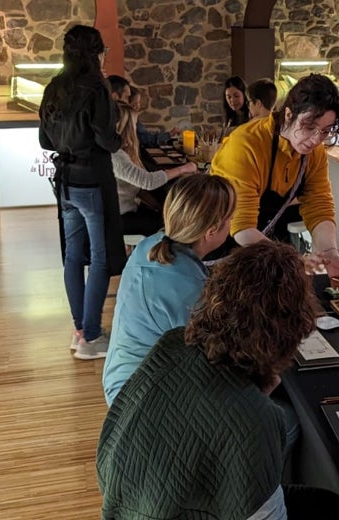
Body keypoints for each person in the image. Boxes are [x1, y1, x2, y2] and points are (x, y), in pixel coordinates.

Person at [98, 241, 339, 520]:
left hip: (123, 506)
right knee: (335, 508)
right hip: (184, 508)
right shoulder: (258, 419)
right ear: (289, 331)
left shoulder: (172, 345)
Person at [101, 174, 234, 405]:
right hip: (141, 399)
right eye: (231, 218)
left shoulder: (151, 245)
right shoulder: (191, 292)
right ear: (212, 231)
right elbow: (215, 360)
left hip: (121, 376)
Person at [211, 74, 339, 280]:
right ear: (288, 114)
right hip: (219, 244)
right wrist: (294, 260)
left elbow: (319, 205)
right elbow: (242, 227)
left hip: (261, 247)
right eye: (309, 127)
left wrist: (330, 254)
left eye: (324, 131)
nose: (316, 139)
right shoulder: (245, 145)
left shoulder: (314, 152)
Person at [38, 25, 122, 360]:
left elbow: (45, 141)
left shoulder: (54, 87)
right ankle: (91, 335)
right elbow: (105, 139)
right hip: (93, 179)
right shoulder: (97, 88)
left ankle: (79, 330)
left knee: (73, 255)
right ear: (96, 52)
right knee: (99, 258)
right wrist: (119, 140)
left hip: (65, 182)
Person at [112, 101, 197, 237]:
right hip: (119, 217)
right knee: (170, 226)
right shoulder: (116, 156)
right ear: (127, 128)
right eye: (134, 125)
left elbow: (138, 188)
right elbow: (148, 182)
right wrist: (183, 169)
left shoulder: (120, 152)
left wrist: (158, 207)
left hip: (126, 210)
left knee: (166, 217)